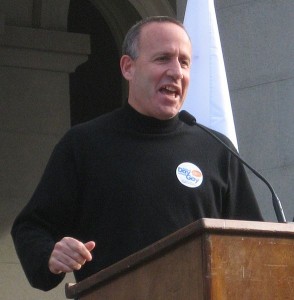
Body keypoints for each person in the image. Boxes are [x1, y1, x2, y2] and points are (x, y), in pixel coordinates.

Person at [11, 16, 263, 292]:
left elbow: (253, 244)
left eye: (184, 62)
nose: (176, 72)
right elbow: (31, 228)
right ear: (128, 67)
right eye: (162, 59)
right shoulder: (85, 145)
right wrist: (51, 254)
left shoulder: (216, 148)